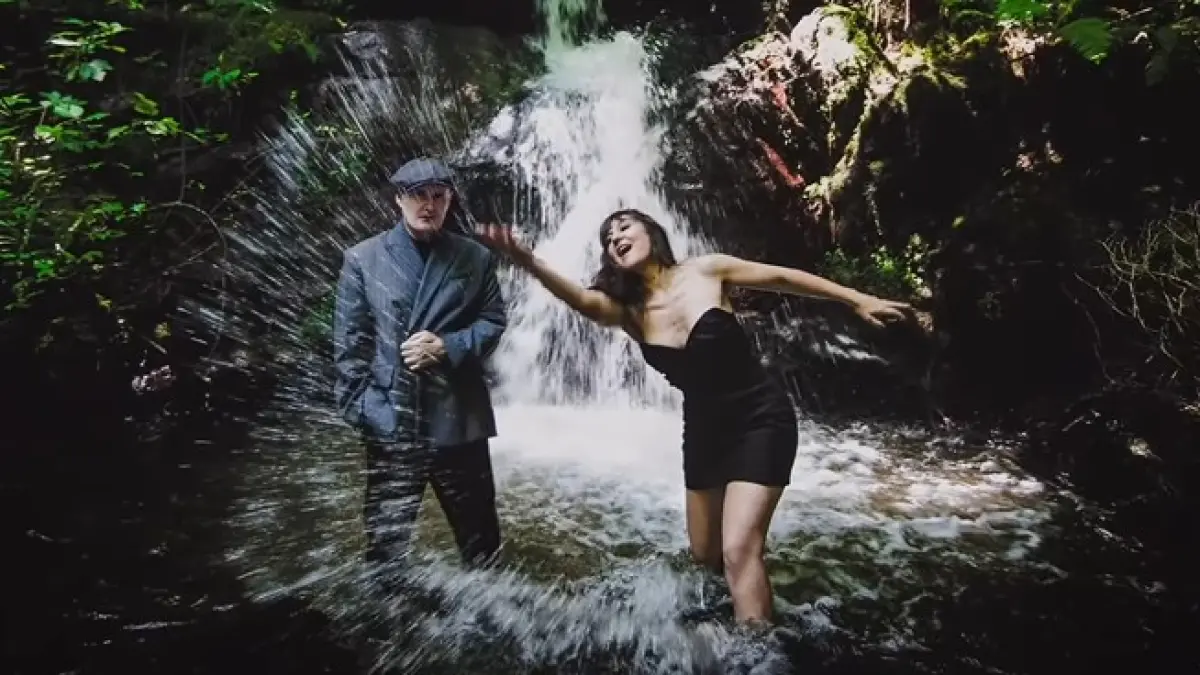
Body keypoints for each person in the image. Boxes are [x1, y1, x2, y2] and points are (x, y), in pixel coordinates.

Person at [476, 209, 910, 624]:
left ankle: (757, 651)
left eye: (624, 227)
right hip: (704, 432)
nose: (616, 238)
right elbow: (581, 300)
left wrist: (858, 299)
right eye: (608, 239)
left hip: (760, 416)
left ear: (651, 232)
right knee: (705, 555)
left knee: (739, 550)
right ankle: (739, 607)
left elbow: (783, 278)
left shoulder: (706, 270)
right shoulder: (627, 312)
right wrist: (527, 259)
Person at [333, 157, 508, 575]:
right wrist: (364, 411)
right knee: (386, 548)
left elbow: (493, 321)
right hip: (393, 416)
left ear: (449, 201)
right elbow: (350, 346)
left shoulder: (474, 257)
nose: (428, 205)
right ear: (399, 199)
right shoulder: (363, 258)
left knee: (482, 543)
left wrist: (448, 346)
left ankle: (492, 609)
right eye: (417, 195)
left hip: (459, 416)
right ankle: (389, 607)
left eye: (438, 196)